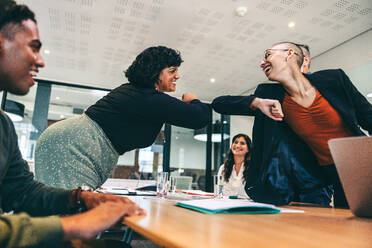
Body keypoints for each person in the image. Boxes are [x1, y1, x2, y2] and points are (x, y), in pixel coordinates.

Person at [0, 1, 144, 248]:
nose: (40, 61)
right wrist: (75, 225)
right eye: (33, 48)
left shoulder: (3, 125)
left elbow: (22, 191)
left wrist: (80, 198)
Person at [212, 41, 372, 207]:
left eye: (268, 55)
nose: (262, 62)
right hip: (321, 177)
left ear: (289, 54)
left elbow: (368, 117)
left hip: (361, 166)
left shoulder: (334, 79)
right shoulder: (270, 95)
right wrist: (257, 102)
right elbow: (219, 103)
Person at [35, 45, 210, 190]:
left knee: (63, 210)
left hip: (68, 141)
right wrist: (193, 99)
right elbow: (200, 117)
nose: (177, 76)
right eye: (172, 71)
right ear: (155, 72)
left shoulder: (137, 93)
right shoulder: (148, 98)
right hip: (73, 146)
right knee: (70, 214)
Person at [217, 133, 251, 198]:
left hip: (245, 205)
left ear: (248, 149)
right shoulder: (223, 168)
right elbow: (219, 191)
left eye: (242, 143)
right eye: (235, 142)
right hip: (225, 204)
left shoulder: (252, 168)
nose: (237, 146)